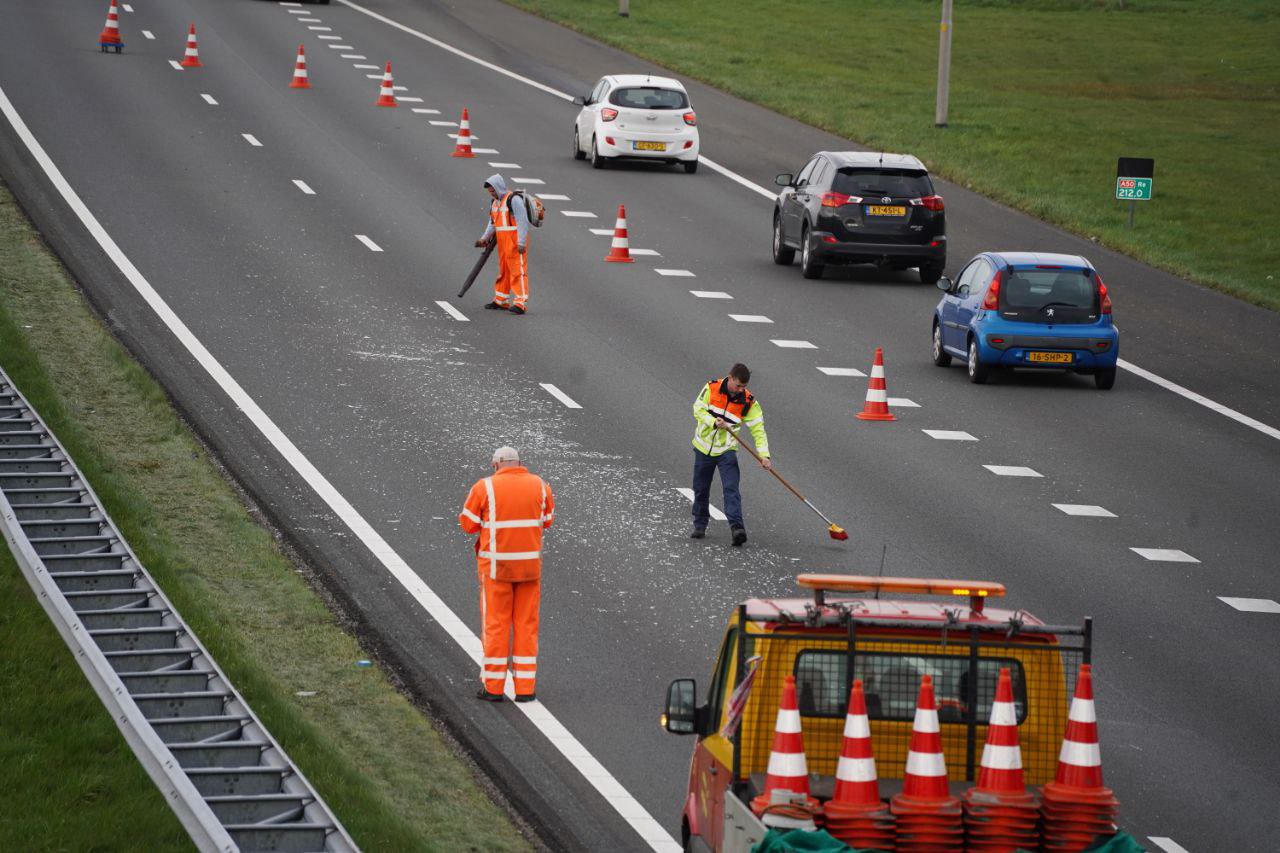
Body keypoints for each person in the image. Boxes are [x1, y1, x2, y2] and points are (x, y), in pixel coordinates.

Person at [459, 446, 554, 702]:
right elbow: (547, 519)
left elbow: (468, 524)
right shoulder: (540, 486)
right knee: (526, 626)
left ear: (496, 465)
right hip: (529, 570)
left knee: (496, 626)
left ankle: (493, 688)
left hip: (496, 570)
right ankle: (525, 689)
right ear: (520, 463)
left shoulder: (485, 487)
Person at [690, 363, 771, 546]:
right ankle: (700, 524)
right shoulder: (711, 388)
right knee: (701, 488)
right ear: (730, 378)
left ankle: (737, 528)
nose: (741, 390)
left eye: (744, 386)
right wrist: (713, 421)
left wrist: (764, 455)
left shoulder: (749, 402)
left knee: (731, 489)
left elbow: (758, 430)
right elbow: (698, 409)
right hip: (703, 448)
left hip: (727, 450)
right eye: (738, 385)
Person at [474, 174, 530, 315]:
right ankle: (501, 300)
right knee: (504, 270)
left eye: (493, 190)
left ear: (499, 187)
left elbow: (522, 221)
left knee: (518, 271)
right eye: (490, 191)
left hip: (514, 240)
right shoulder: (495, 203)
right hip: (503, 240)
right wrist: (484, 239)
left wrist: (521, 242)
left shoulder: (513, 199)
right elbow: (492, 223)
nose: (491, 193)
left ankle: (520, 303)